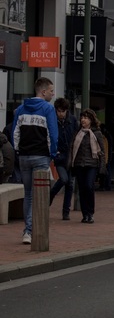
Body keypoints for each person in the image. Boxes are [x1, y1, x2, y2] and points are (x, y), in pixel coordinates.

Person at [11, 77, 58, 244]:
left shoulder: (21, 109)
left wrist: (18, 151)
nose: (53, 94)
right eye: (51, 91)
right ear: (43, 91)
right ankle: (36, 230)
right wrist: (52, 153)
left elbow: (15, 133)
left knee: (28, 194)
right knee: (41, 194)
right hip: (41, 156)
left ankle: (27, 231)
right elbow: (52, 134)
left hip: (24, 156)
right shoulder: (48, 109)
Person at [69, 109, 105, 224]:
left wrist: (102, 167)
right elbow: (72, 149)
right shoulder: (78, 132)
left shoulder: (97, 133)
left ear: (91, 120)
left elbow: (102, 152)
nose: (83, 120)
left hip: (92, 164)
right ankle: (85, 215)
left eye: (86, 118)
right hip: (79, 164)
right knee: (82, 189)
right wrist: (70, 164)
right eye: (82, 117)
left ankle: (91, 213)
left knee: (89, 187)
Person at [49, 98, 79, 220]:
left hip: (71, 156)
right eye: (59, 111)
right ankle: (51, 194)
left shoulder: (72, 120)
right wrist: (55, 151)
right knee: (64, 179)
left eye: (63, 111)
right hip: (60, 156)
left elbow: (76, 136)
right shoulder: (53, 121)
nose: (61, 114)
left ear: (67, 110)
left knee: (70, 185)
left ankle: (66, 212)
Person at [97, 123, 113, 191]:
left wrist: (105, 158)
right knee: (106, 170)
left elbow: (105, 148)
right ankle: (106, 185)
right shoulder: (108, 136)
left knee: (105, 171)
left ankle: (105, 185)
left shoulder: (104, 137)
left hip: (105, 156)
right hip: (107, 156)